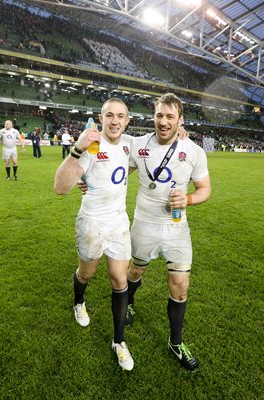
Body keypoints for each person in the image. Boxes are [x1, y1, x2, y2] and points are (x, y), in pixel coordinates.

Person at [126, 93, 211, 372]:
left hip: (177, 228)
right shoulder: (138, 146)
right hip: (144, 224)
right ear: (154, 116)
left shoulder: (194, 151)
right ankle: (129, 302)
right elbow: (116, 170)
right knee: (135, 272)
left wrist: (187, 199)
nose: (163, 121)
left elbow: (205, 190)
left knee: (180, 287)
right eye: (159, 115)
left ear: (180, 120)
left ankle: (176, 342)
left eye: (170, 116)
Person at [54, 98, 134, 371]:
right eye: (109, 115)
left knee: (119, 278)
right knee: (86, 273)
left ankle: (119, 341)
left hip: (119, 223)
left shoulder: (130, 144)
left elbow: (156, 145)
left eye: (120, 116)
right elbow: (60, 188)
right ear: (101, 118)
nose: (114, 121)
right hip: (92, 223)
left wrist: (180, 131)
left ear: (127, 121)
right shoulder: (90, 145)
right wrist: (77, 150)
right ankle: (79, 301)